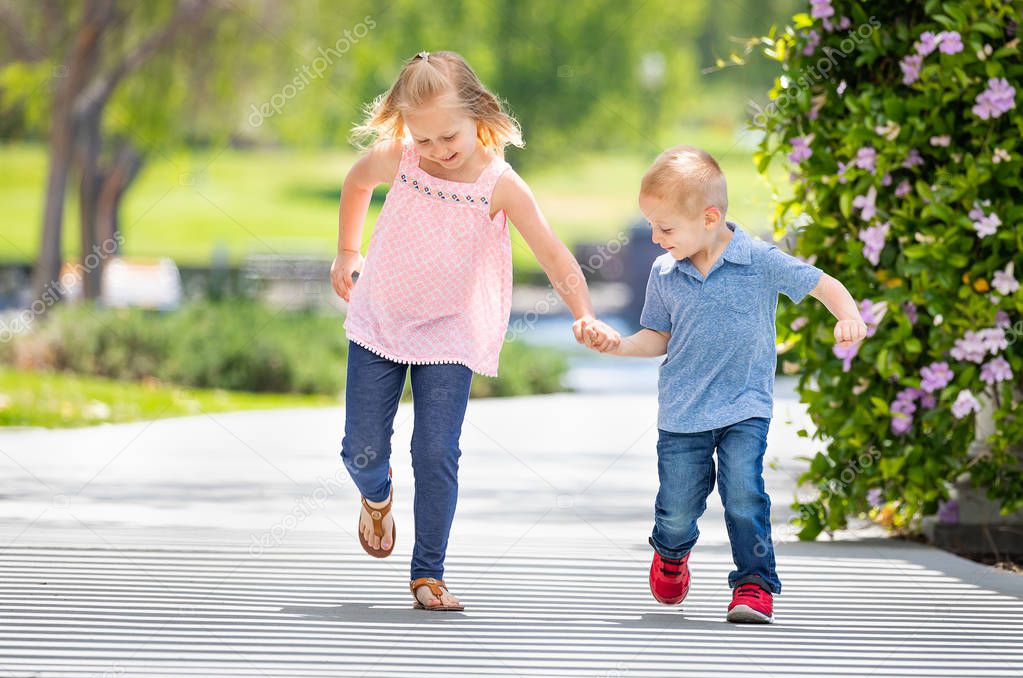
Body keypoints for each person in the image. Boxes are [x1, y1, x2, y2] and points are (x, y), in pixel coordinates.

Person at [330, 50, 619, 611]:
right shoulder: (403, 158)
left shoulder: (499, 183)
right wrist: (347, 250)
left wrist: (582, 310)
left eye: (448, 137)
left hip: (451, 332)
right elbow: (356, 181)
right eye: (425, 138)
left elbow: (554, 252)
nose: (436, 151)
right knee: (360, 450)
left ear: (478, 113)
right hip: (381, 318)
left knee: (436, 451)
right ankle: (377, 497)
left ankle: (428, 573)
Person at [589, 145, 867, 624]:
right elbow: (658, 336)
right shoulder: (665, 273)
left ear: (711, 216)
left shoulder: (759, 261)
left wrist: (849, 315)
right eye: (652, 226)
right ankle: (671, 553)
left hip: (745, 406)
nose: (654, 238)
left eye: (666, 228)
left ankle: (754, 585)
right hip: (683, 414)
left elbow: (822, 283)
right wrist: (619, 346)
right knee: (677, 508)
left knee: (744, 494)